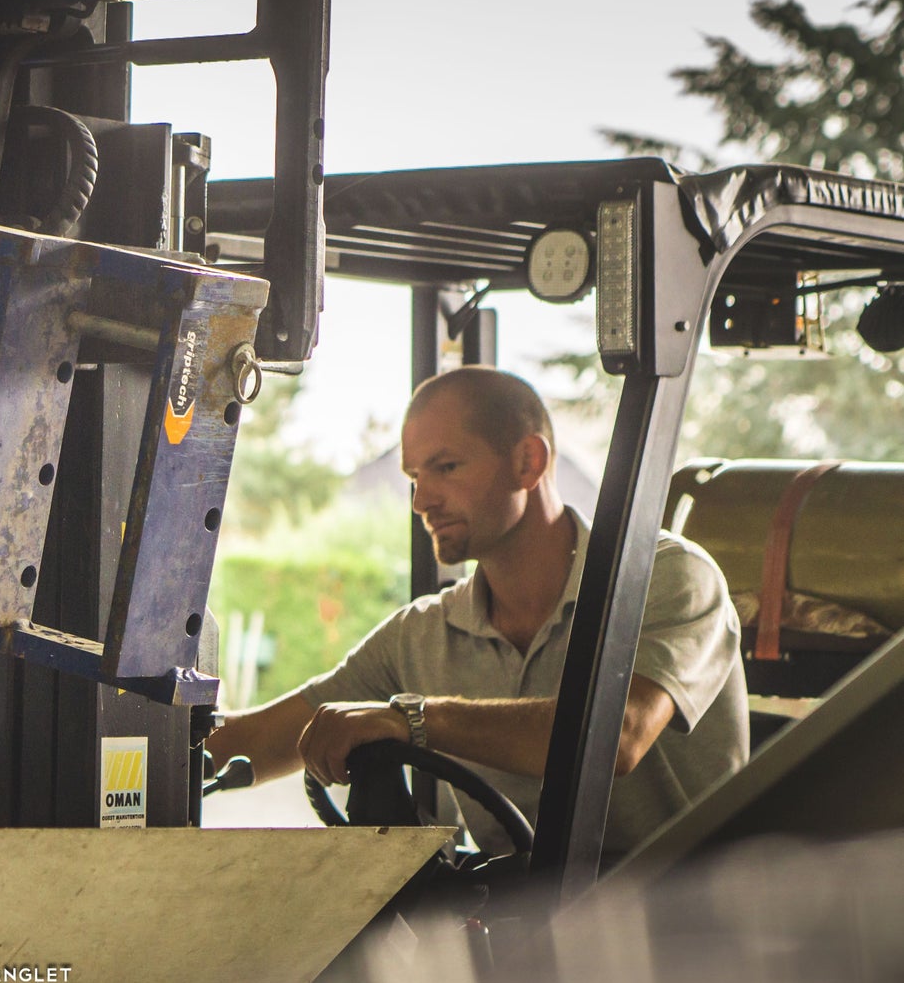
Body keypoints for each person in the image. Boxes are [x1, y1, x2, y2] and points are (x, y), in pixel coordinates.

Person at [206, 366, 748, 858]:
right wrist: (137, 737)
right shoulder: (422, 634)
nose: (421, 501)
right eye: (416, 477)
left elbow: (616, 737)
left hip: (693, 932)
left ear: (528, 462)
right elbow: (257, 743)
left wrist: (412, 721)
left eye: (446, 467)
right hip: (531, 934)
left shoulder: (664, 578)